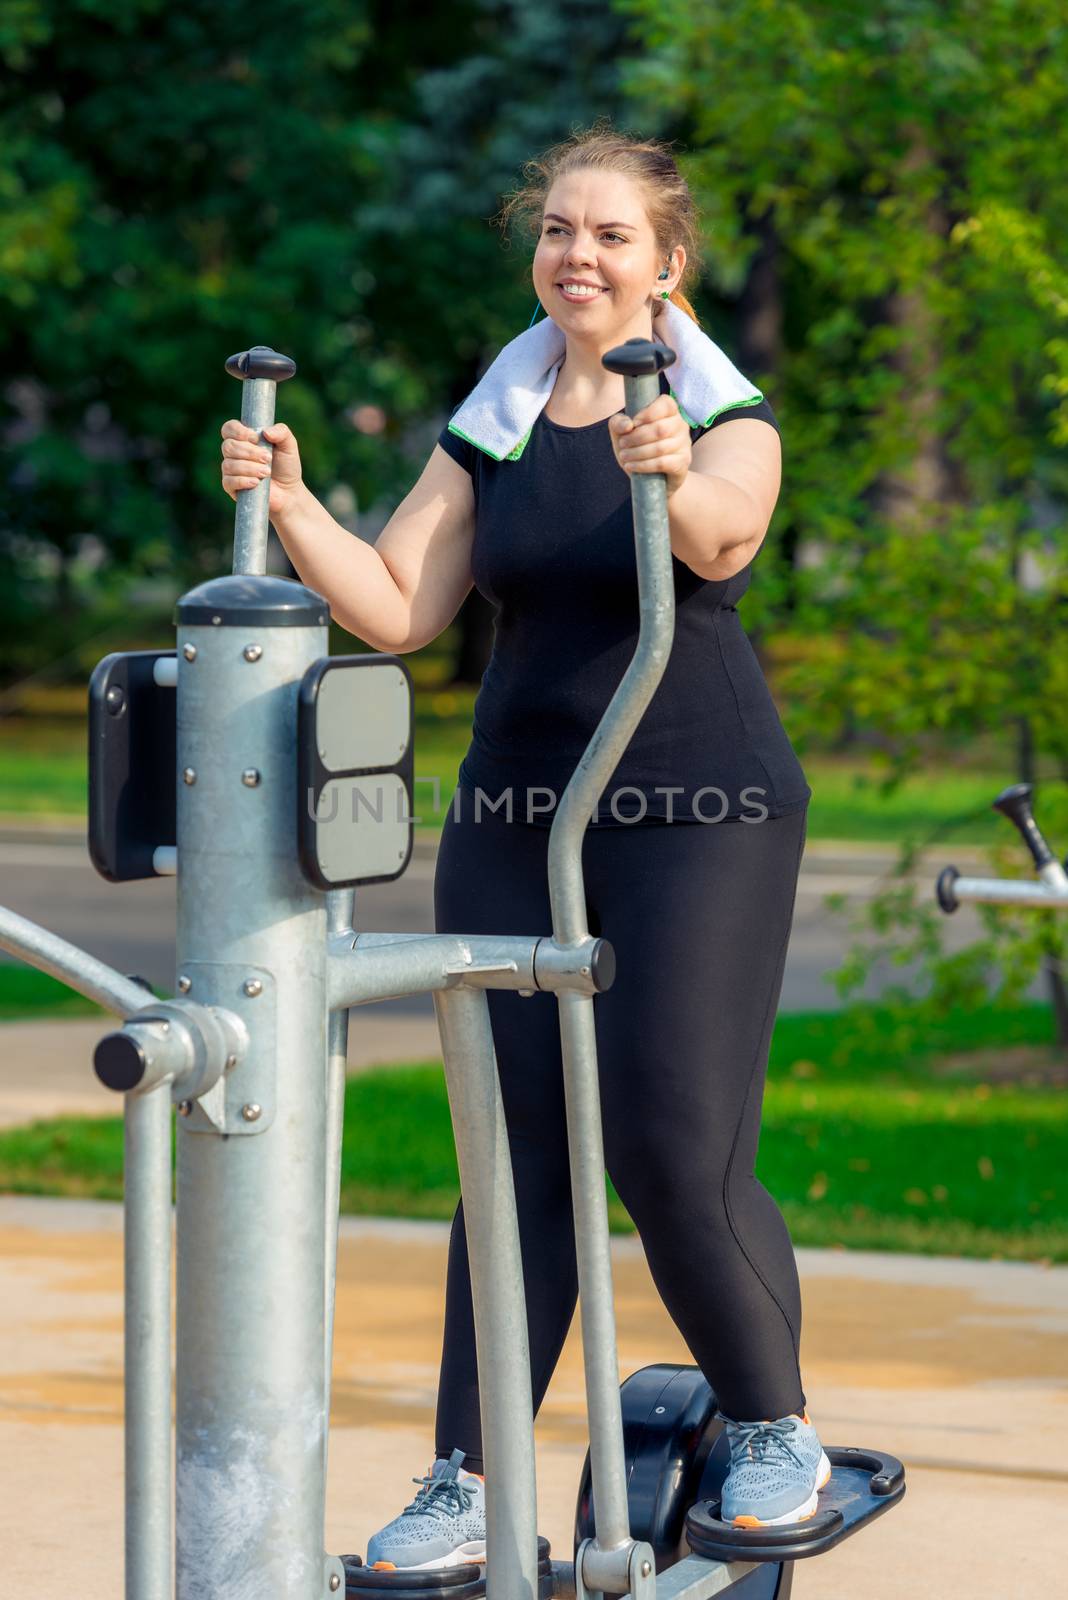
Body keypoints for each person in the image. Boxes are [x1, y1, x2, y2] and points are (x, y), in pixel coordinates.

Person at [220, 123, 828, 1574]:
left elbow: (730, 540)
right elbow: (397, 605)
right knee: (513, 1162)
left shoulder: (716, 414)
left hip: (700, 811)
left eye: (614, 235)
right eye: (559, 230)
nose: (580, 255)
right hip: (512, 812)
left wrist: (664, 470)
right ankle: (464, 1477)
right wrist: (294, 497)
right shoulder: (491, 418)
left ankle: (772, 1428)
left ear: (666, 264)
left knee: (673, 1149)